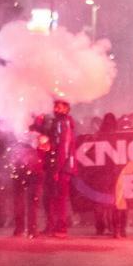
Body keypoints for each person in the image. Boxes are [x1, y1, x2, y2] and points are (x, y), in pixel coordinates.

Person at [43, 98, 77, 237]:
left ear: (66, 109)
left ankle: (61, 228)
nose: (55, 108)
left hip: (62, 167)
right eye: (55, 106)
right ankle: (53, 226)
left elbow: (64, 147)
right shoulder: (58, 122)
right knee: (53, 197)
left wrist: (57, 168)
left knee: (60, 198)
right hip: (59, 165)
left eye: (59, 106)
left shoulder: (64, 123)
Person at [10, 120, 47, 238]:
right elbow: (46, 148)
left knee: (18, 200)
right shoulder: (39, 137)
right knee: (32, 200)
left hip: (18, 169)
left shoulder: (15, 135)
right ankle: (32, 229)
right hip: (34, 169)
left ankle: (19, 229)